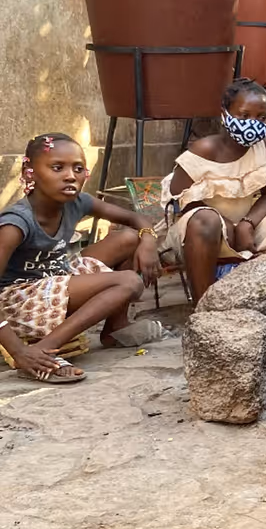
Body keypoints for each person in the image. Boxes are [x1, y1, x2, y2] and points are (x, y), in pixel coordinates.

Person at [0, 134, 160, 383]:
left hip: (56, 277)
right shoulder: (15, 224)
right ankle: (43, 351)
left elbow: (135, 219)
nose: (70, 176)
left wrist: (149, 240)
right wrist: (17, 350)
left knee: (130, 238)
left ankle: (115, 329)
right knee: (127, 282)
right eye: (57, 167)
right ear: (29, 170)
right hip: (18, 301)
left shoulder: (77, 202)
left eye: (78, 168)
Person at [162, 79, 266, 301]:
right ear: (225, 114)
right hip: (201, 233)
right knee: (207, 220)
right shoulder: (203, 150)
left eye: (261, 118)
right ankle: (204, 309)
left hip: (247, 227)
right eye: (244, 116)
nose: (252, 123)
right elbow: (180, 203)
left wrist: (247, 223)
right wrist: (224, 223)